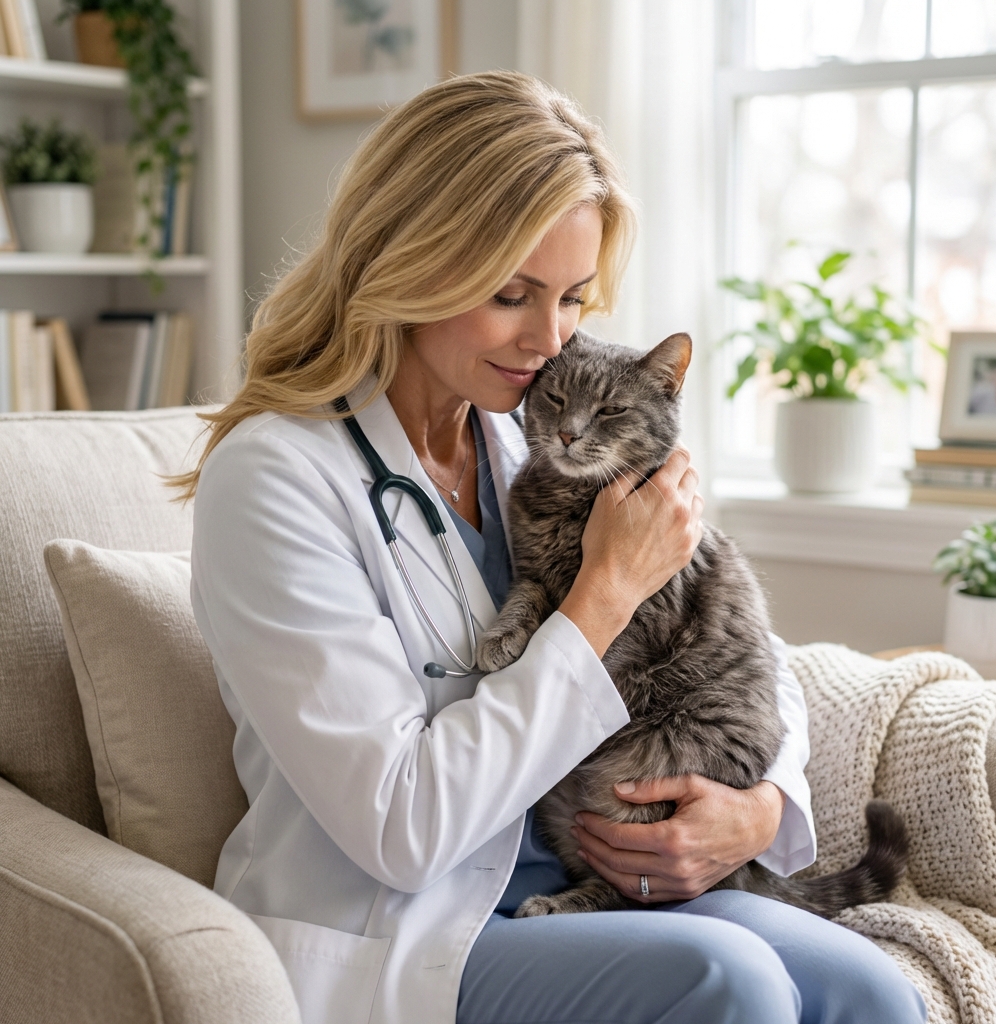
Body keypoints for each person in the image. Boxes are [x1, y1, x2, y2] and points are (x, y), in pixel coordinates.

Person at [182, 71, 926, 1024]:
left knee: (871, 988)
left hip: (607, 875)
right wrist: (605, 590)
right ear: (408, 260)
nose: (549, 339)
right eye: (510, 295)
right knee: (723, 981)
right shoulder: (276, 478)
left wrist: (762, 811)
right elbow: (404, 831)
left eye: (574, 298)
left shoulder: (528, 431)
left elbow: (748, 650)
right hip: (420, 924)